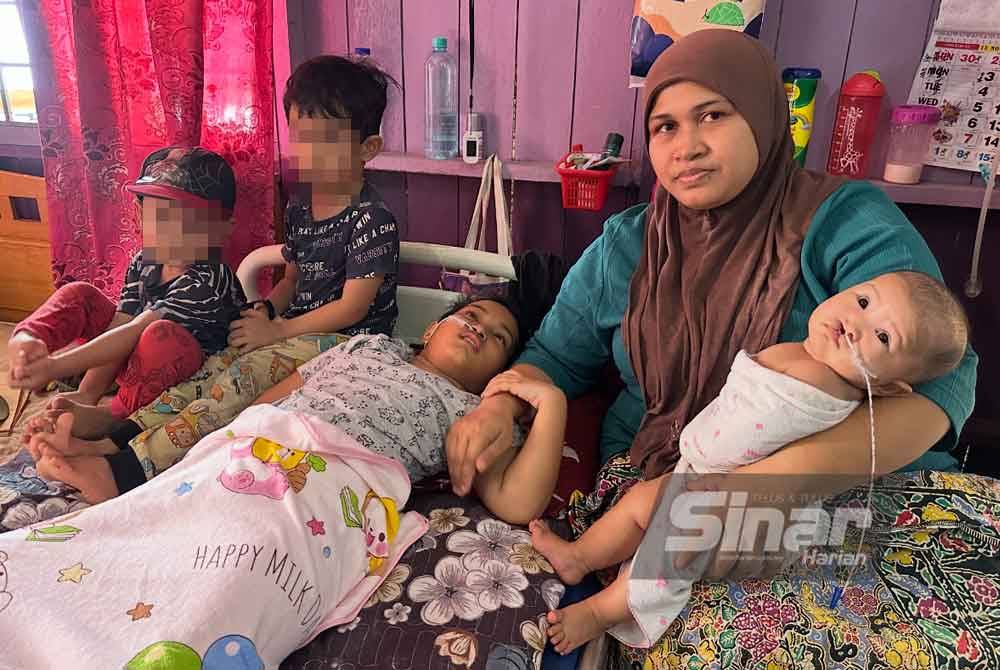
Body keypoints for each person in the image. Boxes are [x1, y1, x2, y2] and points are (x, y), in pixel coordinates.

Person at [446, 28, 976, 604]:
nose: (687, 147)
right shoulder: (626, 246)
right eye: (665, 127)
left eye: (713, 115)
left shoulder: (841, 220)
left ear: (763, 117)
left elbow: (944, 382)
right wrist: (499, 406)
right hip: (668, 489)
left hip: (854, 491)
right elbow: (553, 357)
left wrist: (767, 485)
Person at [528, 270, 970, 653]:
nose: (856, 324)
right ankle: (579, 557)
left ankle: (601, 612)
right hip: (704, 473)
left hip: (744, 502)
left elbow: (756, 445)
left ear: (887, 389)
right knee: (641, 502)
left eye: (883, 337)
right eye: (863, 301)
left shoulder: (829, 388)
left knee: (670, 551)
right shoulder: (808, 353)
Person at [23, 54, 402, 498]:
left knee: (237, 385)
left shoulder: (372, 220)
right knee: (211, 371)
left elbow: (352, 308)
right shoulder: (300, 210)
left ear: (367, 148)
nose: (311, 154)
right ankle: (116, 434)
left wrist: (277, 331)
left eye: (328, 141)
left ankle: (127, 470)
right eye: (302, 137)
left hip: (348, 343)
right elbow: (292, 281)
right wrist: (264, 312)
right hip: (294, 331)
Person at [30, 297, 567, 523]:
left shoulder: (471, 412)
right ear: (431, 328)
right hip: (267, 433)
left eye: (498, 338)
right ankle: (128, 465)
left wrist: (551, 406)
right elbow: (283, 390)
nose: (479, 330)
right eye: (471, 316)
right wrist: (227, 437)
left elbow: (516, 500)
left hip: (327, 475)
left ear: (499, 373)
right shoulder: (371, 347)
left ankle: (124, 484)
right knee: (224, 415)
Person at [6, 146, 246, 419]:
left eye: (191, 222)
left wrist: (55, 366)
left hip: (190, 379)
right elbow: (122, 322)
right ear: (139, 215)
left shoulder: (209, 279)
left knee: (161, 335)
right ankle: (28, 342)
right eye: (160, 218)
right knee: (79, 294)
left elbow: (134, 331)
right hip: (137, 360)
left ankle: (116, 414)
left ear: (223, 229)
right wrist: (88, 392)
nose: (174, 233)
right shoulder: (144, 261)